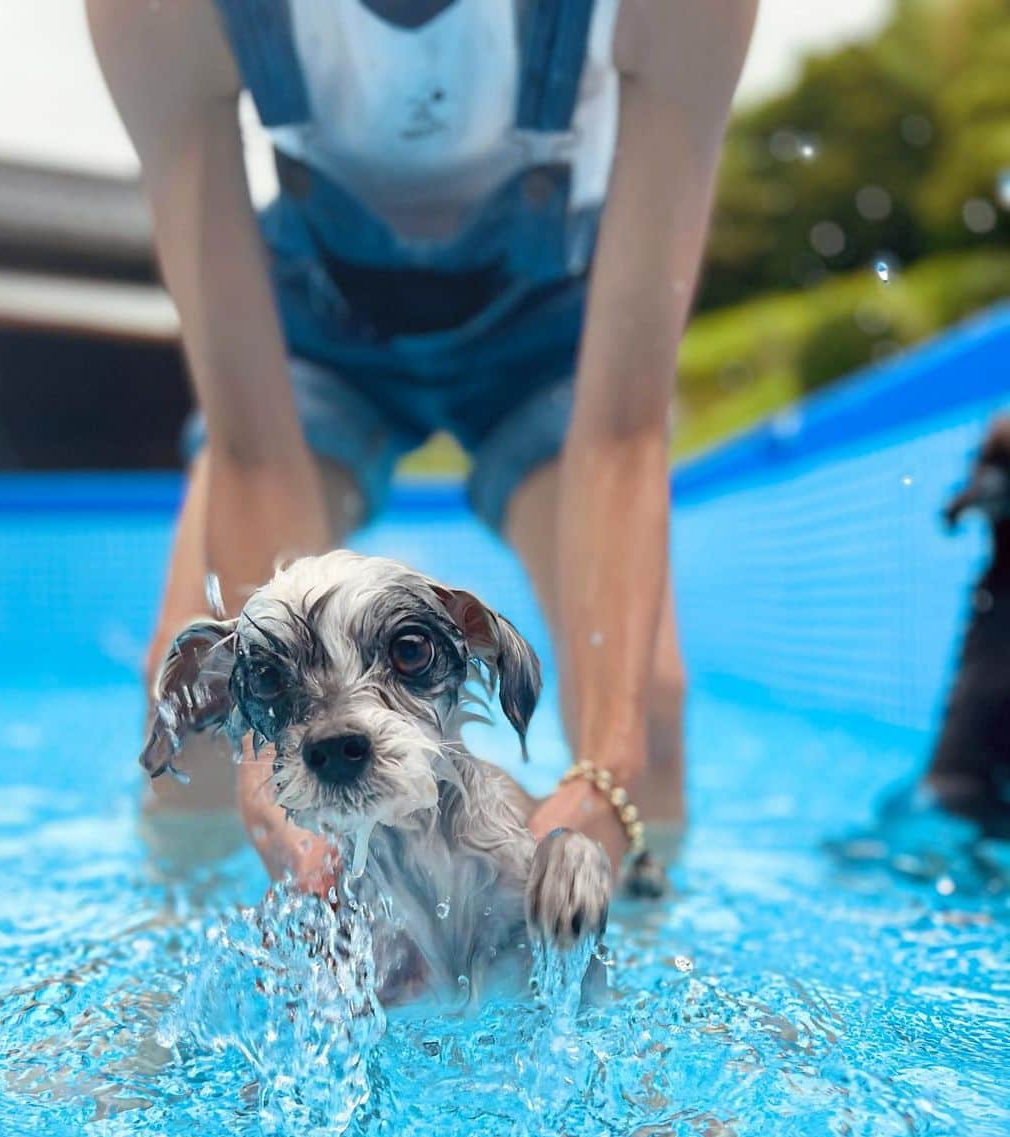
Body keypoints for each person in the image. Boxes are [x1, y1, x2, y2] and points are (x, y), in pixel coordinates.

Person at [87, 0, 758, 885]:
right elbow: (253, 445)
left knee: (651, 714)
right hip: (314, 338)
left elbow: (623, 425)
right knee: (198, 711)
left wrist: (610, 769)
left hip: (559, 336)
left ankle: (643, 989)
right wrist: (264, 781)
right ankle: (170, 985)